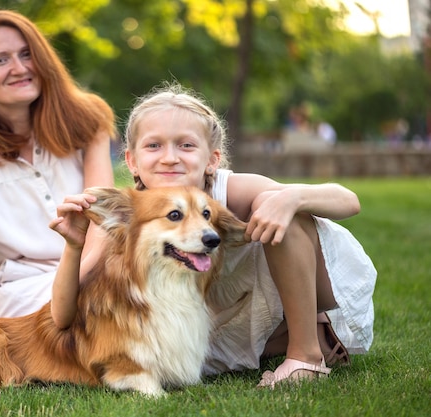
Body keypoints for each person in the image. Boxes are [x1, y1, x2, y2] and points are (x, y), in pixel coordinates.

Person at [49, 83, 377, 388]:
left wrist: (291, 197)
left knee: (283, 212)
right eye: (154, 145)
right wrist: (73, 246)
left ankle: (306, 355)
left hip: (286, 292)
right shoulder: (128, 214)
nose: (169, 157)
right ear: (132, 161)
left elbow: (350, 200)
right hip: (213, 322)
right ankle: (310, 337)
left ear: (212, 159)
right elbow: (62, 315)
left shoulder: (230, 188)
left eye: (186, 145)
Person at [0, 10, 115, 358]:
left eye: (26, 53)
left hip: (92, 270)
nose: (20, 68)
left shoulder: (87, 123)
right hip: (17, 292)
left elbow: (101, 224)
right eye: (1, 60)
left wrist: (79, 287)